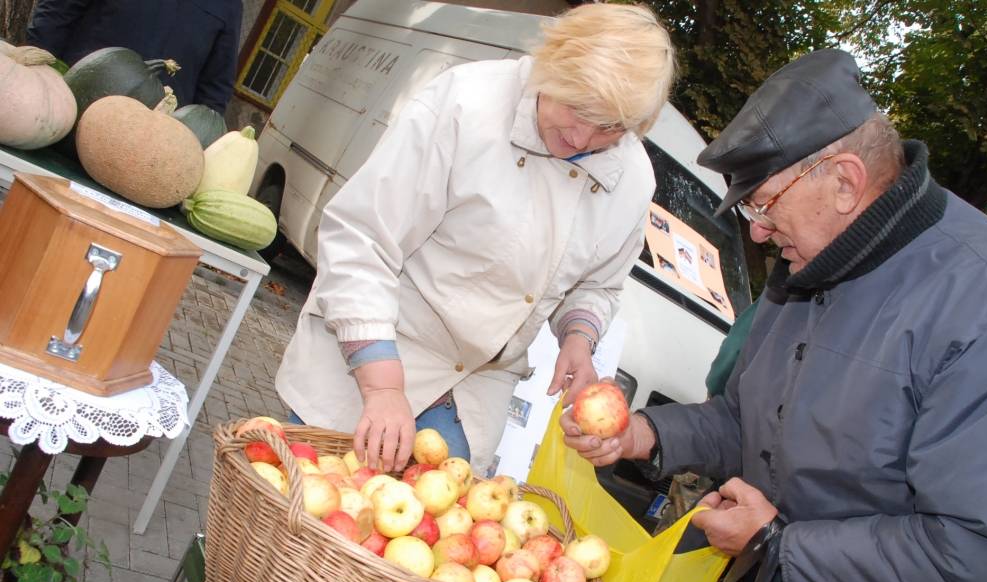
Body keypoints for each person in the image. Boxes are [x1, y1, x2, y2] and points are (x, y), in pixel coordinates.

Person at [563, 48, 987, 582]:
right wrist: (643, 434)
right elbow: (747, 420)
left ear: (845, 182)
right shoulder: (807, 269)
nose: (756, 233)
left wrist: (780, 546)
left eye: (763, 204)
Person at [275, 4, 676, 475]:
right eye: (577, 107)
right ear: (552, 65)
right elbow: (362, 238)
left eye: (609, 126)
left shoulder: (633, 180)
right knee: (305, 505)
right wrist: (382, 386)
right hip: (374, 356)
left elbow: (599, 285)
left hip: (471, 402)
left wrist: (578, 337)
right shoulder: (465, 102)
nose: (582, 136)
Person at [26, 0, 241, 112]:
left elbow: (215, 90)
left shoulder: (229, 6)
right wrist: (38, 81)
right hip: (70, 106)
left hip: (150, 141)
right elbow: (55, 16)